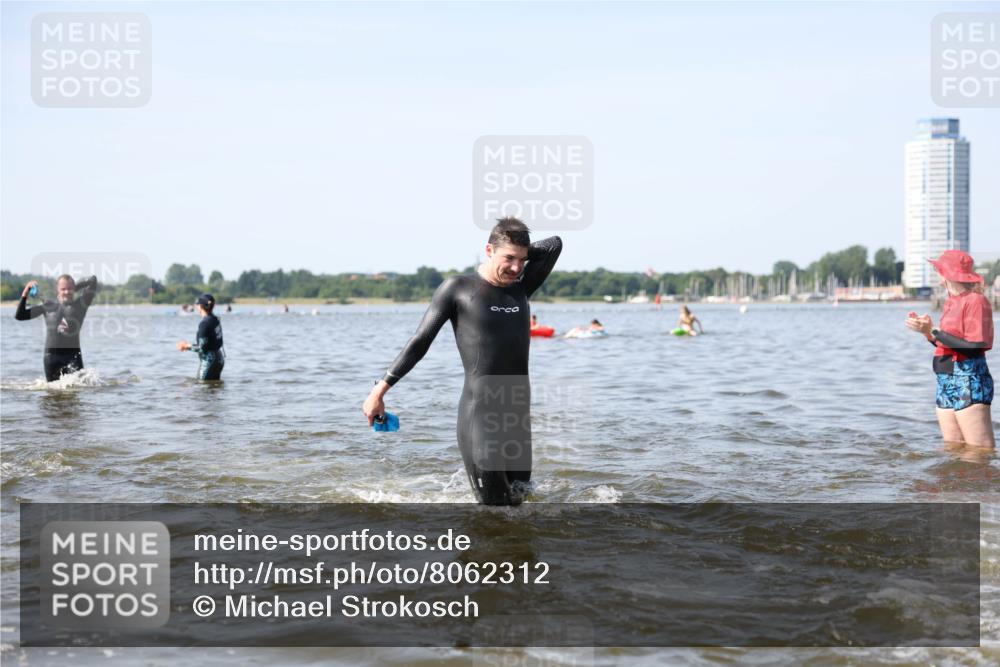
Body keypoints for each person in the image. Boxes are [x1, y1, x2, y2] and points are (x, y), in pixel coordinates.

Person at [362, 217, 562, 505]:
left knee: (520, 507)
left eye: (523, 259)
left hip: (517, 419)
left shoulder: (521, 286)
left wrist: (522, 251)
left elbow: (554, 245)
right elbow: (420, 342)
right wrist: (378, 391)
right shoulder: (458, 288)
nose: (517, 267)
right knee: (495, 510)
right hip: (480, 416)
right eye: (509, 258)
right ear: (489, 250)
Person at [906, 250, 994, 449]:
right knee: (953, 448)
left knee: (979, 450)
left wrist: (934, 330)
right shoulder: (951, 302)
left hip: (968, 378)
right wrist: (928, 333)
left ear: (949, 273)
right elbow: (949, 343)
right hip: (945, 379)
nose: (937, 273)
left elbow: (975, 347)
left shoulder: (975, 300)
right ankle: (956, 482)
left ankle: (985, 481)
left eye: (939, 269)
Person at [15, 275, 99, 381]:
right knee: (52, 392)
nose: (67, 292)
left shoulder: (81, 304)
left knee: (76, 392)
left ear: (74, 288)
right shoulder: (48, 307)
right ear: (57, 290)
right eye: (63, 289)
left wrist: (74, 287)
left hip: (73, 357)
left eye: (69, 288)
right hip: (51, 358)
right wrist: (26, 292)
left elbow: (93, 280)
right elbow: (20, 316)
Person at [176, 293, 225, 380]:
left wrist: (186, 346)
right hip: (219, 358)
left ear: (201, 306)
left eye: (197, 304)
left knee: (202, 389)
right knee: (214, 390)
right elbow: (210, 343)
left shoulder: (204, 324)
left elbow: (202, 349)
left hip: (209, 361)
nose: (196, 306)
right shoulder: (216, 319)